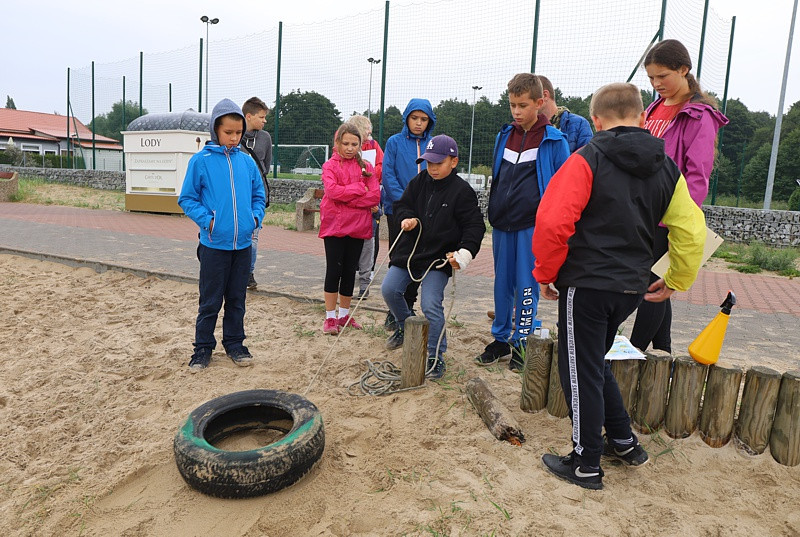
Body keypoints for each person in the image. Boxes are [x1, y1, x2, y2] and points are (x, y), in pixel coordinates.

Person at [532, 82, 707, 489]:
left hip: (587, 282)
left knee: (578, 370)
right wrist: (676, 278)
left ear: (596, 120)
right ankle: (625, 442)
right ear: (643, 117)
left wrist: (547, 273)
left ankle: (585, 463)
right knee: (594, 361)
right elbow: (691, 230)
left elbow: (554, 222)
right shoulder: (667, 167)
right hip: (631, 286)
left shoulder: (586, 158)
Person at [629, 39, 729, 354]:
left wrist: (681, 223)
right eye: (651, 78)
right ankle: (664, 352)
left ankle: (630, 353)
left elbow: (698, 175)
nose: (656, 84)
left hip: (669, 215)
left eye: (663, 76)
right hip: (643, 211)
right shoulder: (653, 108)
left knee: (652, 285)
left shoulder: (700, 115)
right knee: (660, 284)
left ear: (684, 69)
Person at [475, 73, 569, 371]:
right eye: (512, 105)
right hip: (502, 222)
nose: (516, 111)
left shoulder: (555, 140)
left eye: (523, 105)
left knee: (527, 285)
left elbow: (561, 188)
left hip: (532, 225)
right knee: (501, 284)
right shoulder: (505, 135)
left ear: (540, 103)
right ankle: (500, 338)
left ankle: (522, 341)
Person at [381, 135, 485, 379]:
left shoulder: (462, 191)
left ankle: (436, 354)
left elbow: (474, 227)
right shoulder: (419, 181)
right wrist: (406, 218)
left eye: (439, 163)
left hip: (438, 260)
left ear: (453, 161)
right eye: (429, 163)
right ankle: (406, 326)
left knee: (430, 304)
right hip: (409, 253)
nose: (433, 168)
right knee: (389, 290)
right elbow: (402, 205)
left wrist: (464, 254)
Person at [178, 98, 266, 371]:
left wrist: (254, 219)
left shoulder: (247, 163)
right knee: (210, 301)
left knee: (237, 300)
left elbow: (259, 196)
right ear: (215, 129)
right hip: (214, 245)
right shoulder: (200, 161)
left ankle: (235, 344)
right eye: (228, 132)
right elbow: (187, 198)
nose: (234, 137)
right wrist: (209, 222)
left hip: (242, 246)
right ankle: (203, 348)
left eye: (238, 132)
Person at [319, 123, 380, 335]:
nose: (350, 148)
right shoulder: (330, 166)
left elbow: (374, 196)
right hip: (334, 226)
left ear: (360, 145)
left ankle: (344, 314)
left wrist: (347, 199)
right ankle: (330, 317)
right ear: (337, 143)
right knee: (334, 270)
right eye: (345, 143)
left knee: (349, 271)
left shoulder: (367, 168)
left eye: (354, 144)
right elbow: (332, 192)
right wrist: (357, 190)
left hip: (358, 226)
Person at [381, 98, 437, 328]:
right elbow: (388, 175)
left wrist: (425, 205)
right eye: (414, 118)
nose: (418, 123)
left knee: (418, 258)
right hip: (397, 210)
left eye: (424, 119)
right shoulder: (394, 142)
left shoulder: (433, 144)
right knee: (398, 257)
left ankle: (408, 304)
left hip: (424, 213)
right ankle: (393, 310)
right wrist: (405, 203)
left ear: (430, 122)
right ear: (406, 118)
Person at [346, 115, 384, 300]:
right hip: (352, 199)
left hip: (370, 198)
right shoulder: (346, 144)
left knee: (369, 239)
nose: (370, 132)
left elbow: (380, 167)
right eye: (367, 128)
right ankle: (351, 273)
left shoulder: (374, 145)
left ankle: (366, 277)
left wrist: (367, 174)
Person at [240, 96, 273, 291]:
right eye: (261, 117)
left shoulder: (265, 138)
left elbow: (266, 166)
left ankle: (248, 274)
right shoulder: (235, 136)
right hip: (238, 195)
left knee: (253, 236)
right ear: (248, 116)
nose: (264, 120)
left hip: (256, 196)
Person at [539, 75, 594, 152]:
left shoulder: (579, 124)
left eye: (523, 105)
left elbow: (587, 156)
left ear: (545, 95)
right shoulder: (527, 128)